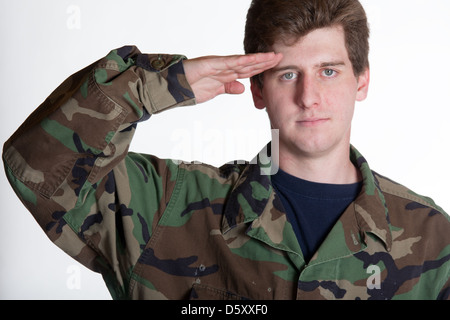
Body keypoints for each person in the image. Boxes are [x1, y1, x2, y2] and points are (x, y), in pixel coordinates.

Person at [3, 0, 449, 300]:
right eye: (288, 75)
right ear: (257, 88)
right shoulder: (168, 207)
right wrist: (157, 86)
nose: (309, 97)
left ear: (362, 80)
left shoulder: (433, 240)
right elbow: (37, 166)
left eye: (329, 71)